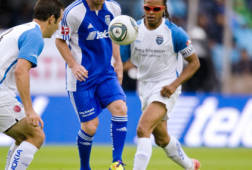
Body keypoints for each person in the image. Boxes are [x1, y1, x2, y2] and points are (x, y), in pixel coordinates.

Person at [0, 0, 63, 169]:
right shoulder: (35, 36)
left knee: (24, 138)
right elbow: (21, 71)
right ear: (51, 19)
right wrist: (29, 109)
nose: (58, 27)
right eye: (59, 21)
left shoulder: (17, 30)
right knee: (36, 135)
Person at [120, 0, 201, 170]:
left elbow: (194, 63)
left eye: (155, 9)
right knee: (162, 138)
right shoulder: (133, 30)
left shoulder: (175, 33)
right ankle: (190, 165)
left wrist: (174, 85)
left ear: (163, 9)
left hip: (166, 88)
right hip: (144, 87)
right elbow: (124, 62)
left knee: (143, 129)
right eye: (147, 8)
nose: (150, 12)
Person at [55, 0, 128, 169]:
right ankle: (85, 167)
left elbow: (115, 35)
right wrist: (73, 65)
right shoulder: (73, 13)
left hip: (106, 73)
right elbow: (60, 41)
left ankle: (117, 162)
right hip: (82, 78)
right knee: (90, 127)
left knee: (120, 108)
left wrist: (118, 61)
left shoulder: (114, 8)